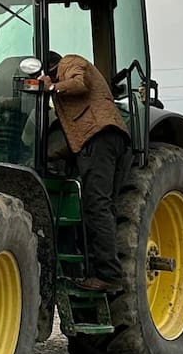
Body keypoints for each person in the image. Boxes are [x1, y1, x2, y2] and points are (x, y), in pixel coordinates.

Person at [39, 51, 132, 293]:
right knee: (100, 204)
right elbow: (70, 134)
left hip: (100, 136)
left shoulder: (70, 62)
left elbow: (79, 83)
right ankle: (96, 269)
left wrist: (51, 87)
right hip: (96, 138)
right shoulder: (67, 101)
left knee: (97, 204)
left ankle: (108, 275)